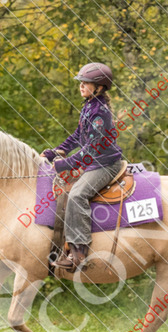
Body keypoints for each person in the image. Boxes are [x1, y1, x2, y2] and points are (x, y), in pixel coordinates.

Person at [41, 62, 123, 271]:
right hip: (94, 163)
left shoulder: (100, 112)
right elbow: (78, 136)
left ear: (100, 87)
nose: (81, 85)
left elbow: (91, 150)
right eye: (81, 82)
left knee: (77, 194)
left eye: (86, 83)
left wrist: (64, 164)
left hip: (104, 164)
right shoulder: (89, 106)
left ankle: (79, 253)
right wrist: (56, 151)